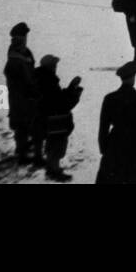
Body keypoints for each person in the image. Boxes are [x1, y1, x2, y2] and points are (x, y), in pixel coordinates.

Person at [96, 62, 136, 185]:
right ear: (133, 77)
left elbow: (103, 127)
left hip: (116, 144)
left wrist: (104, 148)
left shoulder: (110, 98)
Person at [35, 54, 83, 182]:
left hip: (48, 119)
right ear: (50, 67)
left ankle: (52, 168)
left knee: (53, 147)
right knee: (56, 147)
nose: (56, 67)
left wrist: (71, 88)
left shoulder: (42, 79)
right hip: (55, 121)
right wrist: (74, 93)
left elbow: (58, 98)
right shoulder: (48, 82)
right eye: (54, 65)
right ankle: (53, 171)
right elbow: (61, 103)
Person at [3, 22, 40, 166]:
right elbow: (17, 76)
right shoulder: (15, 56)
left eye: (25, 36)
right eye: (22, 36)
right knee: (21, 122)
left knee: (29, 119)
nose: (25, 38)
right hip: (19, 95)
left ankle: (24, 146)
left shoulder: (25, 51)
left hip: (27, 93)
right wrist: (30, 87)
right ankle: (22, 153)